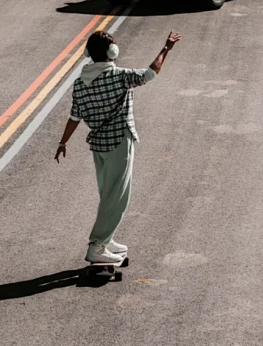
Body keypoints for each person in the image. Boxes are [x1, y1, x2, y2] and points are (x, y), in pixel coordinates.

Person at [55, 29, 181, 264]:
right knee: (117, 196)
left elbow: (75, 117)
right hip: (119, 143)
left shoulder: (80, 83)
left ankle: (107, 238)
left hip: (99, 146)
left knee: (107, 194)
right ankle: (97, 246)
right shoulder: (119, 76)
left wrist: (63, 142)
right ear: (112, 51)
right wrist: (166, 49)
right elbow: (151, 73)